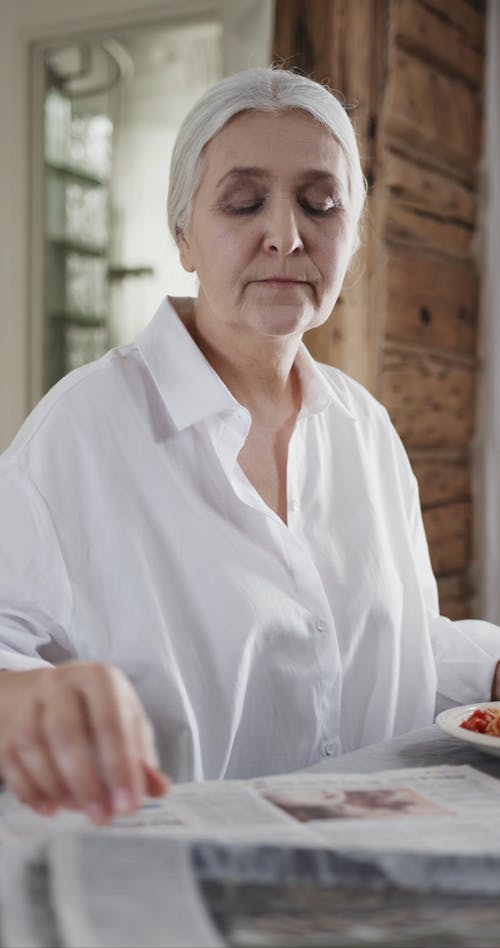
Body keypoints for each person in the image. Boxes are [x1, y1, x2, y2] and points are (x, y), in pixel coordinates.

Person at [0, 67, 499, 826]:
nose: (286, 234)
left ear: (352, 239)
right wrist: (22, 696)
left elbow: (398, 643)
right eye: (242, 202)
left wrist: (491, 665)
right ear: (183, 238)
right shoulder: (82, 430)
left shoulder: (365, 429)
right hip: (168, 890)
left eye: (320, 204)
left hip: (366, 886)